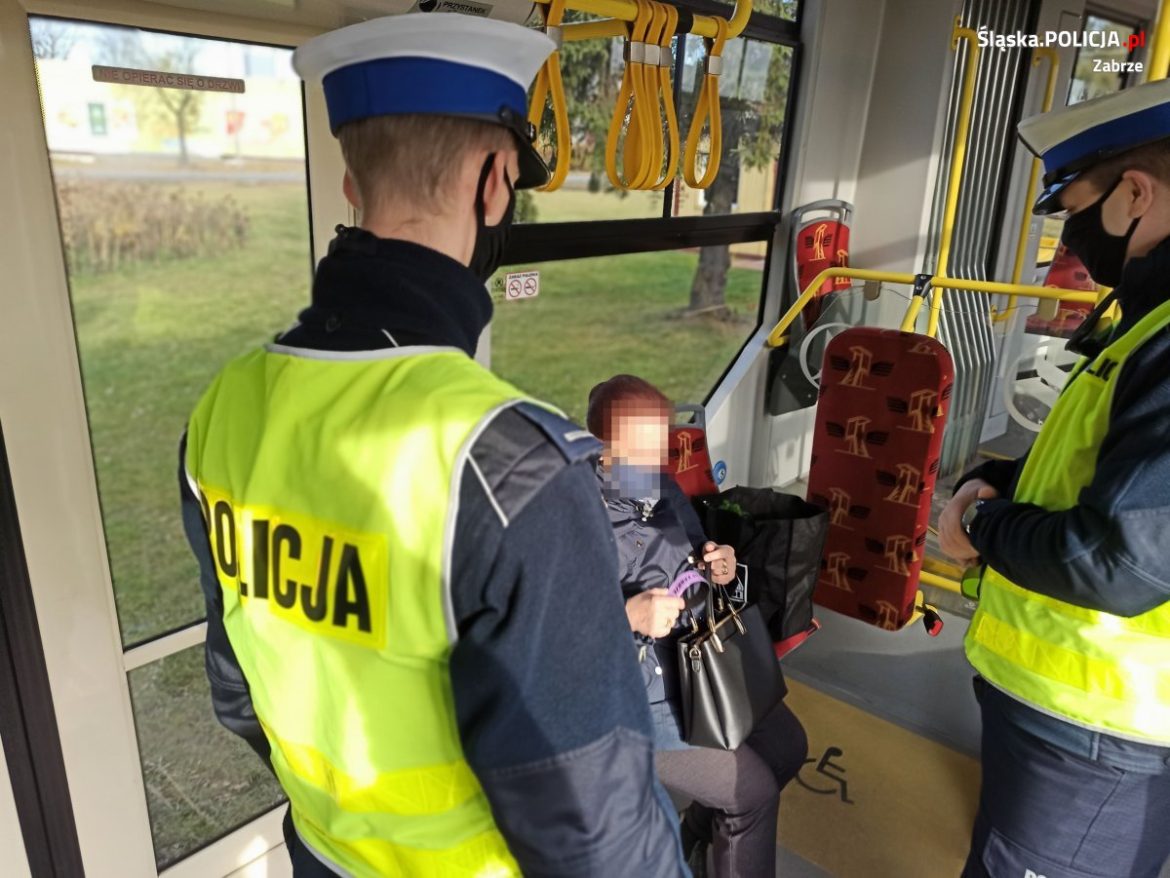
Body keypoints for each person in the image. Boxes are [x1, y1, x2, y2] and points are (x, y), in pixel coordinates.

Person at [178, 15, 687, 878]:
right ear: (495, 183)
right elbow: (591, 823)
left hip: (324, 853)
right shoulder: (509, 466)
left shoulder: (222, 410)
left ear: (351, 184)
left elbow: (236, 687)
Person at [940, 78, 1170, 878]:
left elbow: (1124, 560)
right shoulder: (1148, 318)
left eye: (1078, 208)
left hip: (1096, 725)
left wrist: (976, 527)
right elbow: (1114, 471)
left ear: (1136, 193)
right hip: (1083, 718)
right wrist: (1008, 479)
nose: (1073, 238)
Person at [587, 374, 808, 878]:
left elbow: (693, 547)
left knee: (789, 747)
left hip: (702, 667)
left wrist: (717, 563)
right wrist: (628, 616)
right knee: (750, 795)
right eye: (643, 446)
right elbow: (553, 627)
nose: (657, 458)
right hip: (640, 702)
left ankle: (697, 837)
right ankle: (719, 841)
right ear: (604, 447)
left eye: (660, 443)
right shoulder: (575, 514)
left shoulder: (657, 484)